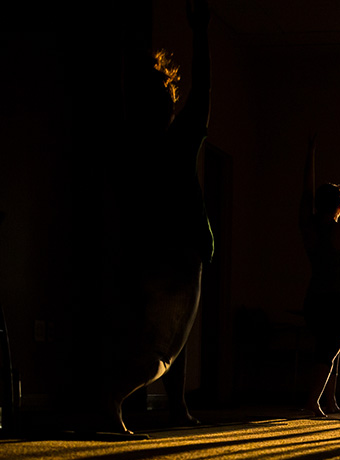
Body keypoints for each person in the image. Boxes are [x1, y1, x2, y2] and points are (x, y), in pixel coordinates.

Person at [81, 0, 213, 436]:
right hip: (176, 258)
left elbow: (111, 97)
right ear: (167, 107)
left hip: (142, 254)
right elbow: (204, 94)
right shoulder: (175, 144)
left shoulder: (126, 146)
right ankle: (112, 398)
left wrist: (119, 46)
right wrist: (200, 32)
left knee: (161, 337)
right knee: (163, 345)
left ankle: (171, 405)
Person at [299, 131, 340, 417]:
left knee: (329, 349)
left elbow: (305, 192)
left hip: (314, 302)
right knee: (329, 351)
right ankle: (313, 401)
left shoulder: (310, 229)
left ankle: (330, 400)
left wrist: (311, 151)